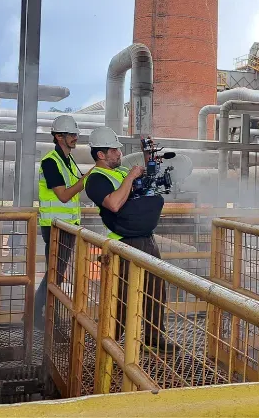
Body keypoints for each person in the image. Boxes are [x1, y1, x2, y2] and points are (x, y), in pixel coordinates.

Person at [84, 126, 174, 353]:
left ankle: (154, 338)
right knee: (122, 295)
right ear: (101, 155)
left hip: (146, 239)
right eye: (114, 150)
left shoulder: (121, 172)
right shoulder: (96, 179)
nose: (119, 153)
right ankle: (110, 342)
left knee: (155, 289)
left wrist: (147, 158)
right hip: (124, 243)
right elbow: (114, 204)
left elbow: (141, 185)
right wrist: (132, 176)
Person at [34, 115, 89, 323]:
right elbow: (64, 195)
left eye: (75, 134)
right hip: (55, 227)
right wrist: (89, 177)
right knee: (54, 275)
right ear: (58, 137)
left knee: (55, 274)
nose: (75, 138)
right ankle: (41, 316)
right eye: (71, 134)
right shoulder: (50, 162)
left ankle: (40, 314)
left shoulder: (67, 161)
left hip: (67, 226)